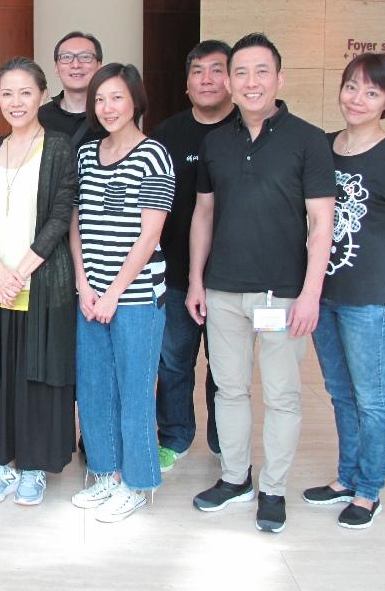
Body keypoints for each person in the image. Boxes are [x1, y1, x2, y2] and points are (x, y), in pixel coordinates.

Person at [187, 32, 335, 534]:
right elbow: (203, 214)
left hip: (283, 293)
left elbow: (322, 224)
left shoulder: (309, 141)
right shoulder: (215, 142)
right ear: (228, 81)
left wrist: (311, 293)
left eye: (261, 72)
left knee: (282, 396)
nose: (250, 83)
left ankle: (272, 488)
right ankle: (235, 478)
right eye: (241, 73)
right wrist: (195, 281)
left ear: (279, 78)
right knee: (228, 390)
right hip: (223, 289)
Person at [303, 53, 385, 529]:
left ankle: (369, 489)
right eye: (351, 87)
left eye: (372, 92)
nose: (357, 99)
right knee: (338, 391)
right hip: (323, 292)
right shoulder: (321, 147)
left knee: (371, 396)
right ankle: (346, 476)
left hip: (370, 299)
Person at [0, 58, 78, 507]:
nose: (16, 102)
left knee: (37, 373)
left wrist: (22, 272)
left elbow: (60, 216)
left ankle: (33, 467)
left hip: (44, 281)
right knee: (0, 374)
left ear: (41, 95)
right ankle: (3, 462)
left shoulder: (59, 147)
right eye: (7, 93)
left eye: (25, 93)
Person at [69, 63, 175, 523]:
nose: (107, 107)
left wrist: (113, 291)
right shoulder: (87, 153)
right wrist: (83, 283)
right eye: (99, 99)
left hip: (134, 297)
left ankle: (137, 483)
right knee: (94, 388)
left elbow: (149, 235)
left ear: (135, 100)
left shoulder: (154, 154)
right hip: (92, 295)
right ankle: (106, 475)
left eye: (116, 97)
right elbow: (77, 223)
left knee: (134, 391)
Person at [150, 40, 234, 473]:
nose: (206, 79)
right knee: (174, 362)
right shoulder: (166, 133)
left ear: (233, 79)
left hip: (235, 277)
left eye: (216, 70)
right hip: (176, 272)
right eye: (198, 71)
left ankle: (225, 443)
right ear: (186, 84)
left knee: (225, 367)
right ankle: (175, 437)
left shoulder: (248, 129)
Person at [38, 31, 107, 148]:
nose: (76, 65)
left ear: (99, 66)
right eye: (66, 57)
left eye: (85, 57)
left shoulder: (111, 115)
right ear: (56, 67)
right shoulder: (39, 117)